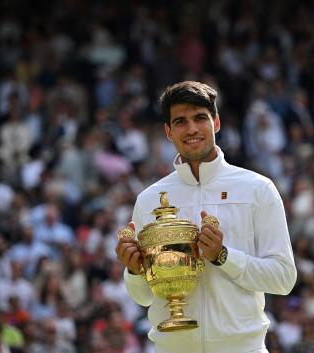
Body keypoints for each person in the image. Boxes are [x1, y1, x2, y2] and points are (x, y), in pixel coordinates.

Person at [115, 81, 297, 352]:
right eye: (180, 121)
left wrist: (223, 257)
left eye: (200, 118)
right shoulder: (149, 199)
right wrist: (133, 270)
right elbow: (142, 297)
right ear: (168, 131)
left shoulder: (258, 189)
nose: (191, 129)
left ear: (217, 122)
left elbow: (283, 279)